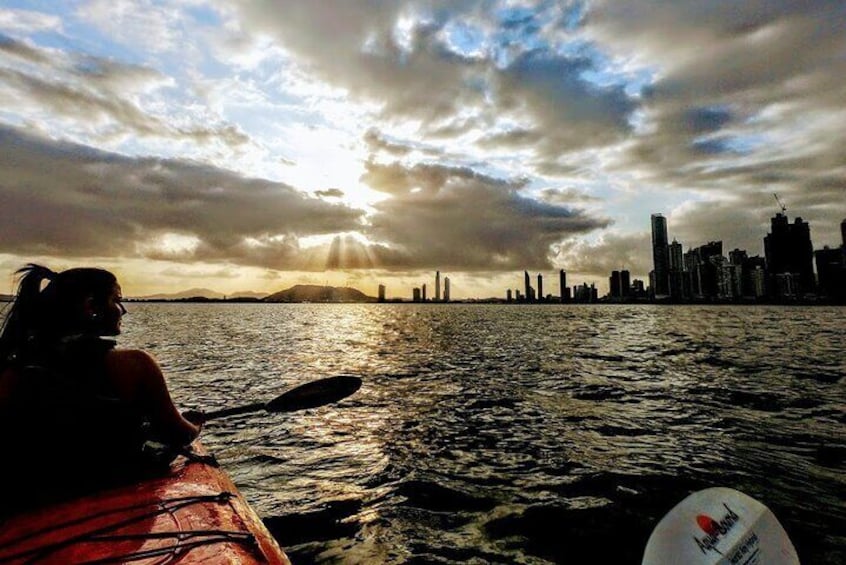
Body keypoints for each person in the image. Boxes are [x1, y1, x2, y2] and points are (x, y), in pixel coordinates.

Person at [0, 264, 201, 513]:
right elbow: (179, 434)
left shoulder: (11, 371)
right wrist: (195, 424)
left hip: (28, 505)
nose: (122, 310)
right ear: (91, 306)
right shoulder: (135, 365)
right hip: (114, 500)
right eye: (116, 300)